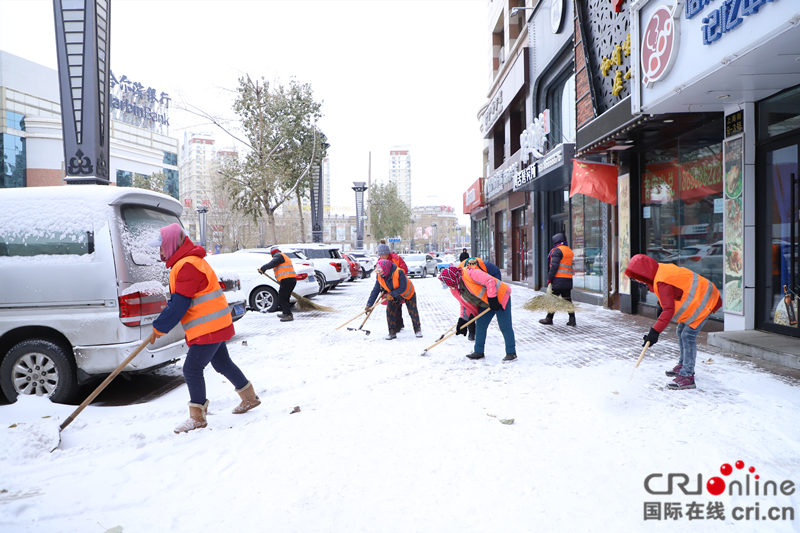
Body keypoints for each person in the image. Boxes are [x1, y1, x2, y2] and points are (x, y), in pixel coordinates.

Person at [150, 223, 260, 433]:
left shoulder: (187, 265)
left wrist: (160, 327)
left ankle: (197, 417)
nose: (160, 251)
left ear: (171, 244)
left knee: (192, 369)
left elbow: (179, 304)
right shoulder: (188, 262)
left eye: (162, 246)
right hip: (216, 323)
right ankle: (249, 398)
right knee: (223, 363)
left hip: (208, 327)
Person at [625, 253, 721, 390]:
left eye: (638, 277)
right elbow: (675, 290)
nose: (638, 281)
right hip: (700, 298)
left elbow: (669, 310)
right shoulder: (660, 271)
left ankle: (687, 376)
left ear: (644, 273)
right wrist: (661, 304)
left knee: (688, 335)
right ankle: (683, 365)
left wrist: (654, 332)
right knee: (680, 330)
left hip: (706, 300)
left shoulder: (661, 281)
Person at [439, 266, 516, 362]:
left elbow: (490, 281)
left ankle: (511, 352)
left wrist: (493, 299)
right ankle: (478, 352)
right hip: (486, 303)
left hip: (500, 296)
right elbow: (464, 304)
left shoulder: (470, 274)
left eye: (449, 285)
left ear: (452, 279)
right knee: (480, 325)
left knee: (504, 326)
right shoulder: (456, 288)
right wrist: (463, 320)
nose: (450, 287)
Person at [366, 259, 422, 340]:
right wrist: (369, 304)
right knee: (390, 310)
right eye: (378, 271)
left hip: (408, 292)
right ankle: (392, 332)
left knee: (412, 310)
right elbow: (375, 291)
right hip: (394, 293)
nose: (379, 273)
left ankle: (417, 329)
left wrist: (391, 294)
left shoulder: (399, 272)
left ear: (385, 269)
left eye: (380, 271)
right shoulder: (379, 276)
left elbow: (402, 288)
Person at [456, 257, 502, 341]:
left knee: (482, 309)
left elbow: (493, 282)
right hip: (475, 286)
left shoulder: (487, 268)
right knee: (472, 308)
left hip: (489, 281)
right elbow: (465, 302)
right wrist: (463, 320)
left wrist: (493, 298)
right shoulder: (460, 272)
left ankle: (476, 332)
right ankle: (472, 332)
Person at [539, 232, 576, 327]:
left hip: (558, 279)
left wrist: (549, 278)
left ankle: (549, 318)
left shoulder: (557, 250)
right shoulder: (569, 250)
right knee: (567, 300)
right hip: (568, 279)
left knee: (553, 300)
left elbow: (554, 266)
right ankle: (572, 319)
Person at [258, 245, 297, 322]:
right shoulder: (282, 256)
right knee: (285, 298)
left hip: (287, 280)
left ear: (272, 253)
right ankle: (285, 312)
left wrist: (263, 268)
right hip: (289, 280)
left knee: (282, 298)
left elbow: (273, 263)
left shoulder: (279, 256)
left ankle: (289, 315)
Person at [377, 240, 409, 329]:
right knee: (391, 306)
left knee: (398, 305)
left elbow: (404, 269)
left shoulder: (396, 258)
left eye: (384, 255)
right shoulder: (380, 261)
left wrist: (397, 277)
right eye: (380, 255)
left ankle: (398, 324)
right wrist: (382, 286)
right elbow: (379, 275)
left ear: (388, 253)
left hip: (398, 285)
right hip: (387, 286)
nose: (382, 257)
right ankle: (396, 325)